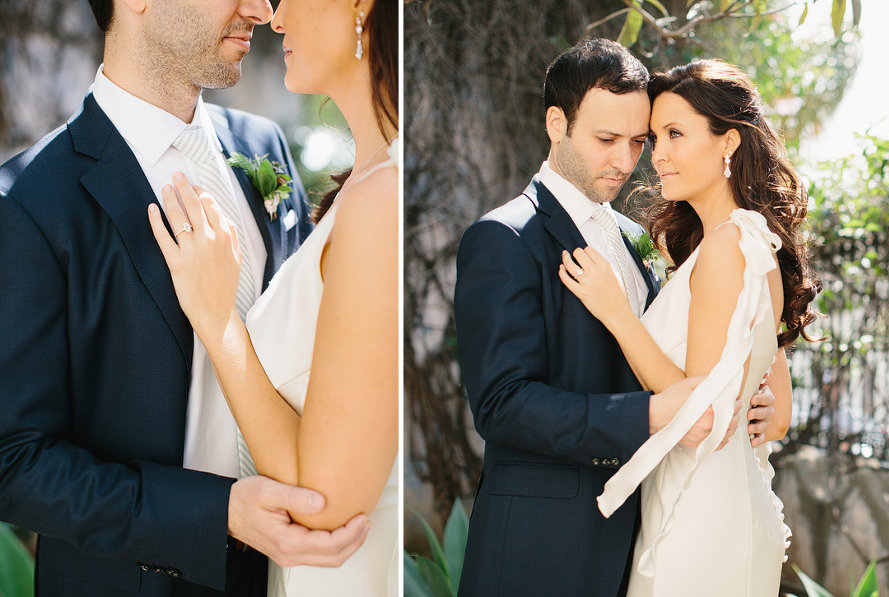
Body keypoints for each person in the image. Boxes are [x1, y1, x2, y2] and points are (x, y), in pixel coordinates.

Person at [0, 0, 373, 596]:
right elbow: (13, 461)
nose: (261, 9)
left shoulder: (265, 148)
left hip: (291, 573)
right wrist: (217, 512)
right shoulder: (29, 206)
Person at [453, 39, 788, 597]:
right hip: (544, 548)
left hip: (646, 531)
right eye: (606, 140)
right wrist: (652, 413)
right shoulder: (504, 237)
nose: (627, 162)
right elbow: (502, 406)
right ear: (556, 123)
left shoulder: (639, 242)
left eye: (639, 141)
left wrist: (748, 389)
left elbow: (684, 356)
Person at [145, 0, 399, 596]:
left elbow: (324, 503)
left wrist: (218, 321)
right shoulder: (359, 189)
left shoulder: (380, 199)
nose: (274, 18)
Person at [557, 58, 820, 596]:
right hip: (712, 492)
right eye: (655, 137)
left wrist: (616, 312)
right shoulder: (750, 240)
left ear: (729, 143)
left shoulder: (728, 247)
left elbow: (697, 407)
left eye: (676, 133)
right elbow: (780, 414)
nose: (659, 155)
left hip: (703, 508)